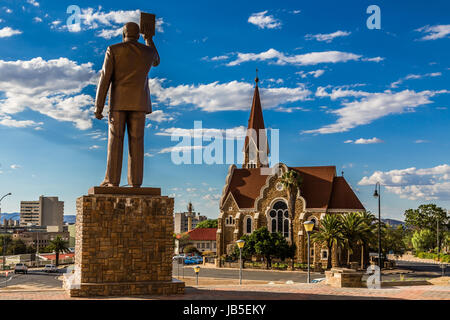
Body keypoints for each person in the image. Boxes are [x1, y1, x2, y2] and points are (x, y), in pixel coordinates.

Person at [94, 22, 160, 187]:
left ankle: (112, 181)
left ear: (123, 34)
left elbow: (105, 78)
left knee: (115, 141)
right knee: (137, 142)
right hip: (139, 103)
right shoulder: (148, 51)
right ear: (138, 35)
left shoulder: (114, 49)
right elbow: (156, 61)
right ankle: (136, 182)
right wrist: (149, 39)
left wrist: (98, 106)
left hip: (118, 103)